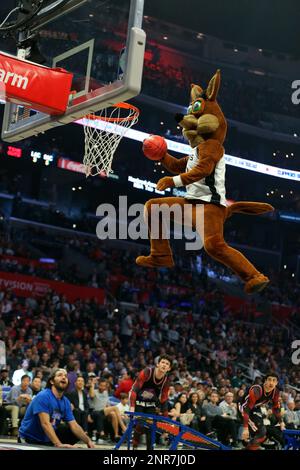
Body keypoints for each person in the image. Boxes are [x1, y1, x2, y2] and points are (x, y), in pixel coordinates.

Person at [19, 368, 94, 448]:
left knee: (73, 432)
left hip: (46, 439)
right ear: (51, 381)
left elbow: (74, 425)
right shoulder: (43, 396)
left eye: (65, 376)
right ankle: (57, 444)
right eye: (59, 375)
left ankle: (57, 444)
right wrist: (58, 444)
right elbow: (45, 424)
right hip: (29, 439)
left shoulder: (65, 402)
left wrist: (88, 441)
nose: (64, 377)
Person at [129, 354, 172, 449]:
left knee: (150, 428)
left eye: (167, 364)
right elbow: (134, 390)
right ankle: (134, 445)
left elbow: (164, 399)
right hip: (138, 400)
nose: (164, 365)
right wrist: (132, 407)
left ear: (169, 368)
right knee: (139, 424)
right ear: (158, 364)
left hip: (151, 403)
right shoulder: (147, 372)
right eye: (163, 362)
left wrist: (166, 419)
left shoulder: (167, 380)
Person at [239, 372, 285, 450]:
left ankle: (250, 446)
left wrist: (281, 422)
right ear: (265, 381)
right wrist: (245, 428)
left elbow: (276, 408)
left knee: (263, 432)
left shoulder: (276, 392)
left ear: (277, 383)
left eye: (274, 380)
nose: (271, 383)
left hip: (255, 408)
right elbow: (246, 410)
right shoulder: (257, 390)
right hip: (243, 408)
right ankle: (249, 445)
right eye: (269, 380)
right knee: (261, 432)